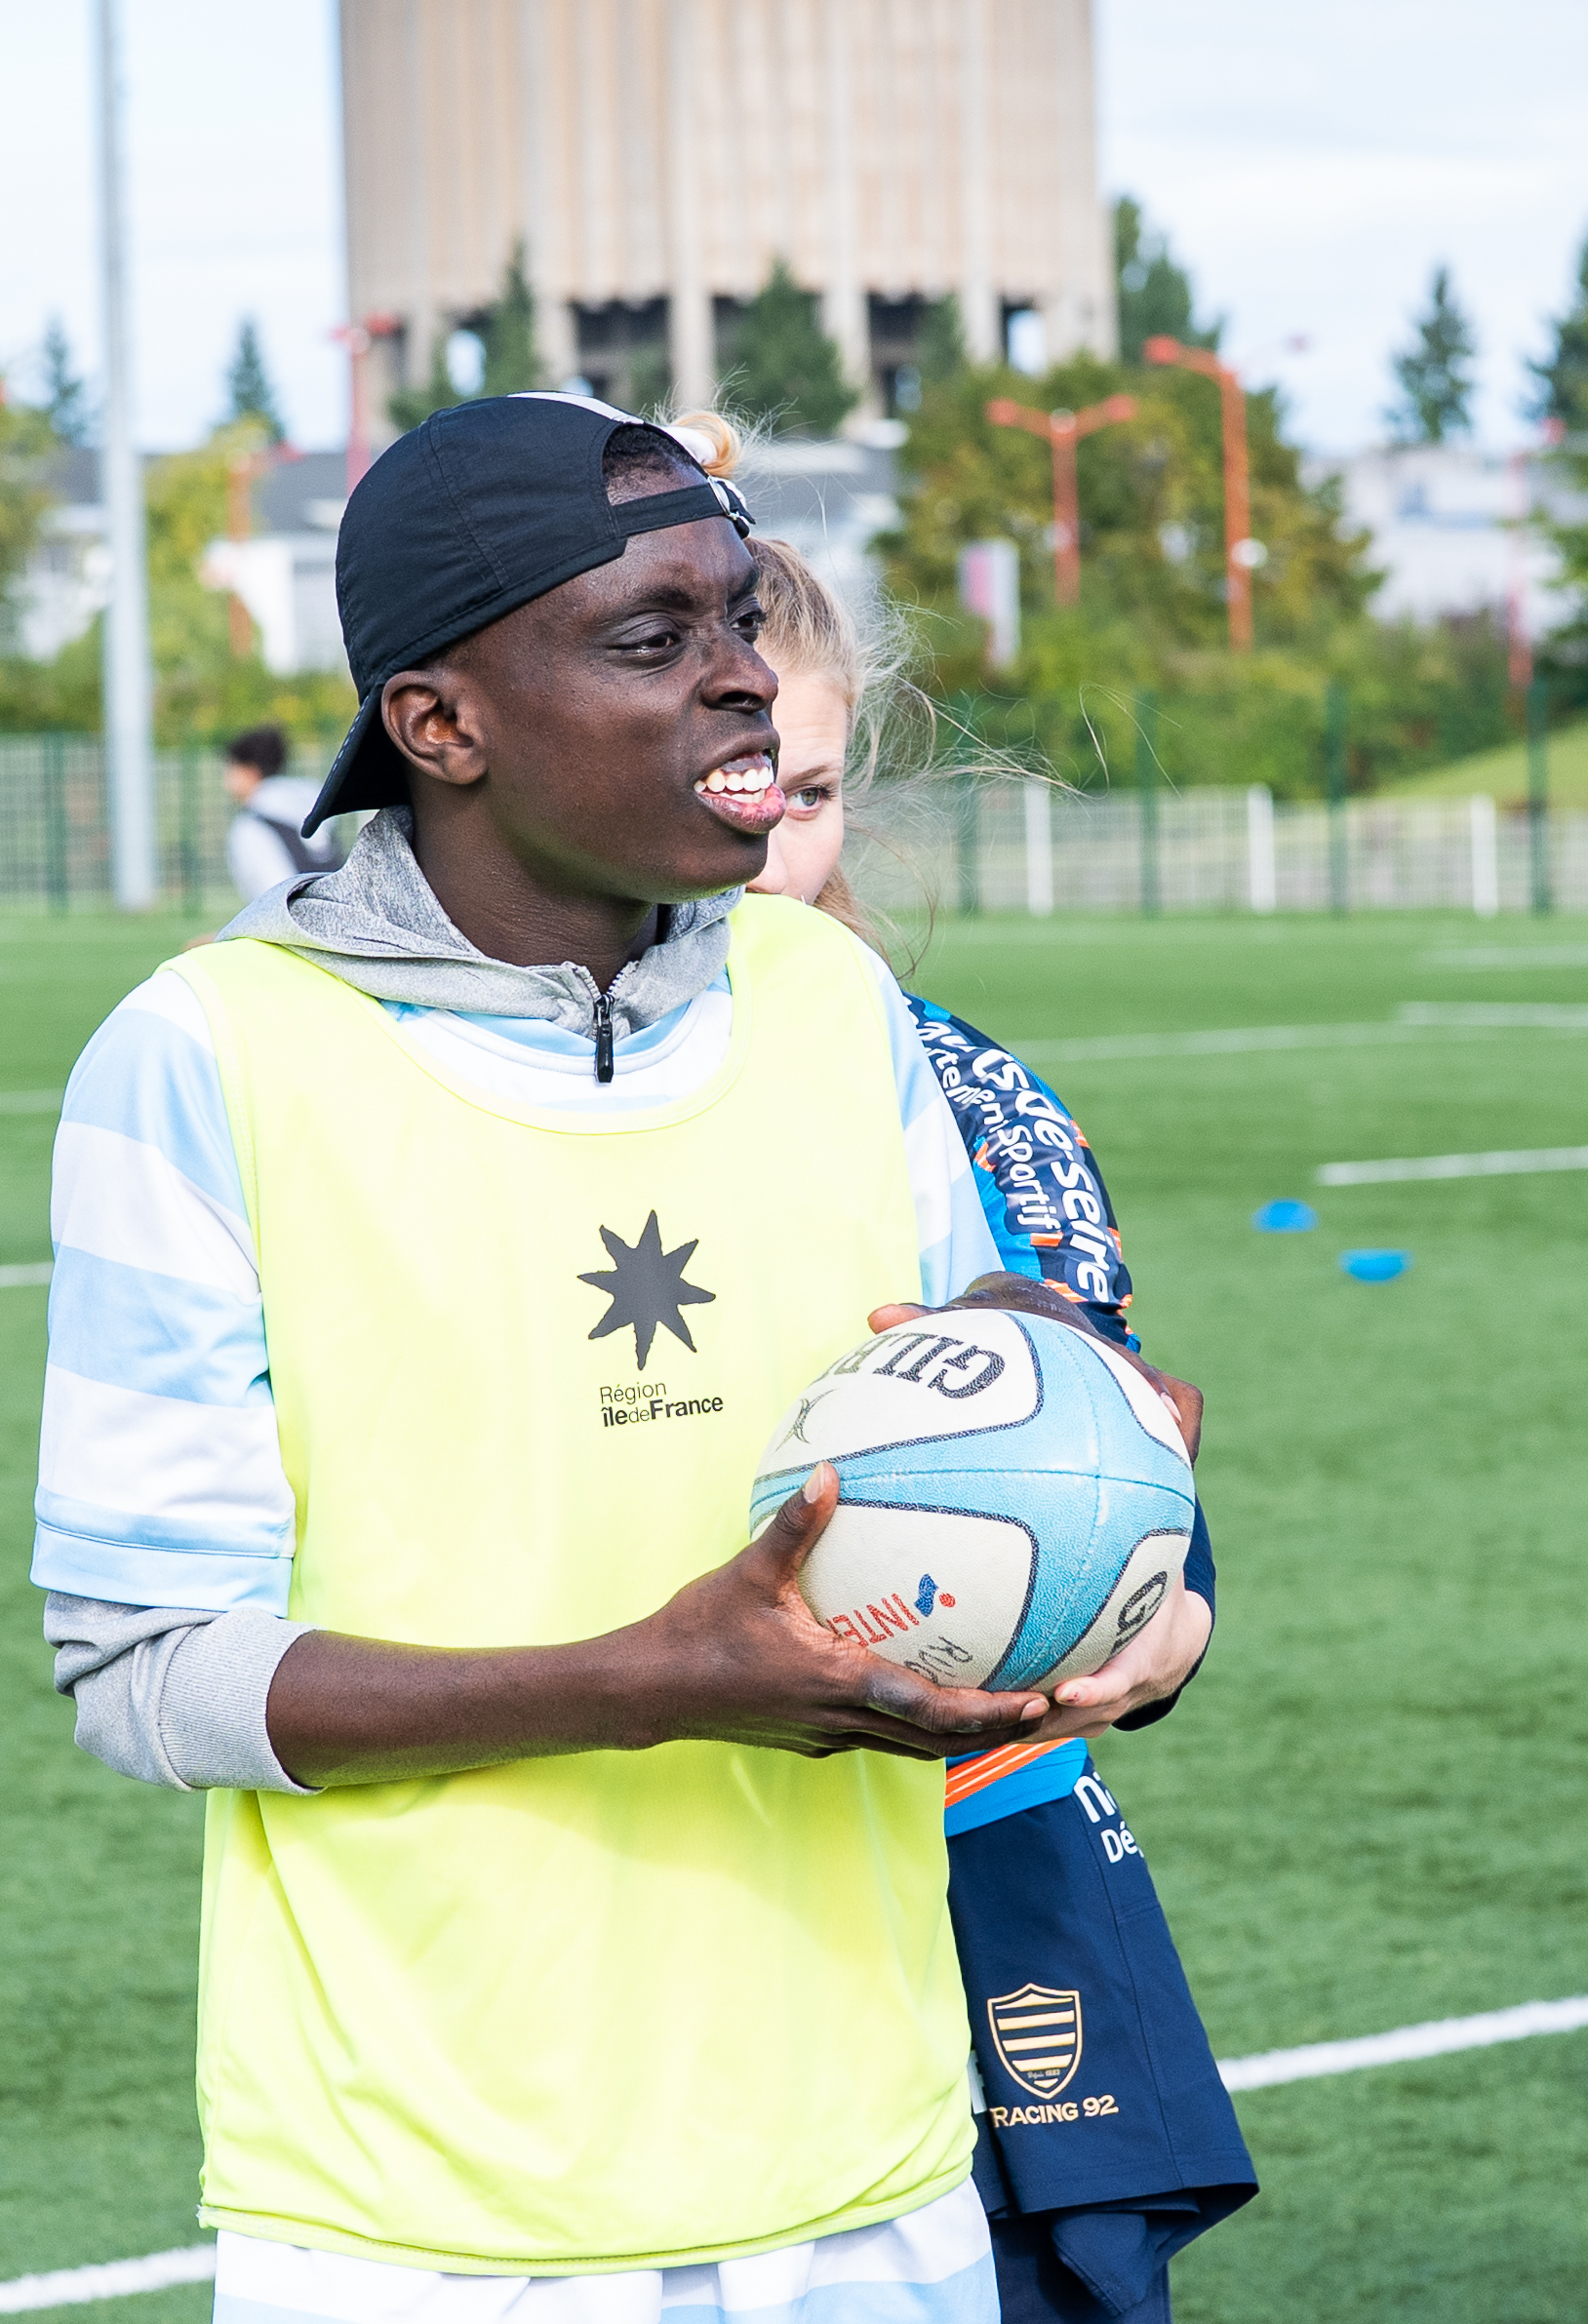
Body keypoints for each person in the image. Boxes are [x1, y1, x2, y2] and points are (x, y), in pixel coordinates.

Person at [34, 391, 1203, 2324]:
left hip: (876, 2176)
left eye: (738, 616)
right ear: (441, 724)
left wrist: (1096, 1478)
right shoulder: (207, 1054)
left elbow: (957, 1399)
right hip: (419, 2224)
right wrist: (645, 1681)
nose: (739, 675)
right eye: (652, 638)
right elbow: (148, 1671)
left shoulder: (825, 996)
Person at [720, 497, 1255, 2324]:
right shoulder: (476, 1095)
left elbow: (1119, 1480)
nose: (763, 843)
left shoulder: (960, 1093)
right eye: (729, 782)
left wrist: (1159, 1626)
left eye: (805, 791)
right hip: (641, 1866)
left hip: (969, 1840)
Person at [222, 724, 347, 900]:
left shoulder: (251, 825)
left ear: (250, 770)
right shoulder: (315, 802)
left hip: (292, 912)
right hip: (338, 906)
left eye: (231, 768)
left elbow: (273, 893)